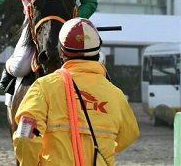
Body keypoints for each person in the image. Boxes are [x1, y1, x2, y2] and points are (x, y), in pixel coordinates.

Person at [12, 17, 139, 165]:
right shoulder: (115, 94)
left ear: (61, 52)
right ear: (98, 52)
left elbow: (25, 135)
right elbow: (130, 134)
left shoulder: (43, 87)